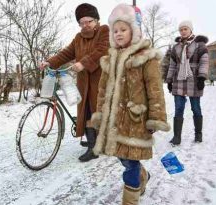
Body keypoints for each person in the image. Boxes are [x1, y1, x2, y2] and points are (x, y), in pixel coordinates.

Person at [90, 4, 170, 204]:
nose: (118, 34)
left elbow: (155, 89)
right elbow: (101, 91)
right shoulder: (109, 59)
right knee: (123, 159)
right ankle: (143, 175)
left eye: (123, 30)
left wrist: (155, 118)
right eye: (115, 31)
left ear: (134, 31)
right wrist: (99, 114)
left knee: (131, 164)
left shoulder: (146, 58)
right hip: (114, 122)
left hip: (136, 120)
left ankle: (130, 200)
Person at [38, 3, 109, 162]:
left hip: (101, 80)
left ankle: (98, 145)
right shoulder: (78, 38)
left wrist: (83, 63)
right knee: (87, 111)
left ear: (96, 20)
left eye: (88, 21)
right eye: (82, 22)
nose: (85, 25)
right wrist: (49, 62)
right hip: (84, 82)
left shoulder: (105, 31)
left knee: (97, 111)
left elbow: (102, 50)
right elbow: (66, 53)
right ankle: (93, 144)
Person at [165, 20, 209, 145]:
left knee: (195, 108)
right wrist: (169, 80)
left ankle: (198, 134)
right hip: (179, 79)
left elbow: (204, 62)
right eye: (181, 29)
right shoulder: (176, 47)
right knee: (178, 108)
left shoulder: (200, 45)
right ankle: (177, 137)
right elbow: (172, 65)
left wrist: (201, 77)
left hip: (194, 79)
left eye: (185, 29)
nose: (183, 31)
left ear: (191, 30)